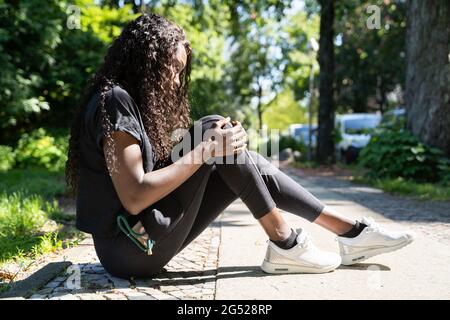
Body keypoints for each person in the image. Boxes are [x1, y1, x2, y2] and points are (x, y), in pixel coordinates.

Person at [66, 13, 415, 279]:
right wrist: (206, 150)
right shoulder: (113, 102)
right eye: (171, 69)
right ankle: (290, 242)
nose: (175, 81)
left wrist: (221, 145)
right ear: (147, 61)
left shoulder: (130, 101)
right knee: (211, 135)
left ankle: (346, 233)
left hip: (140, 237)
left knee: (214, 130)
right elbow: (135, 195)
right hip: (129, 248)